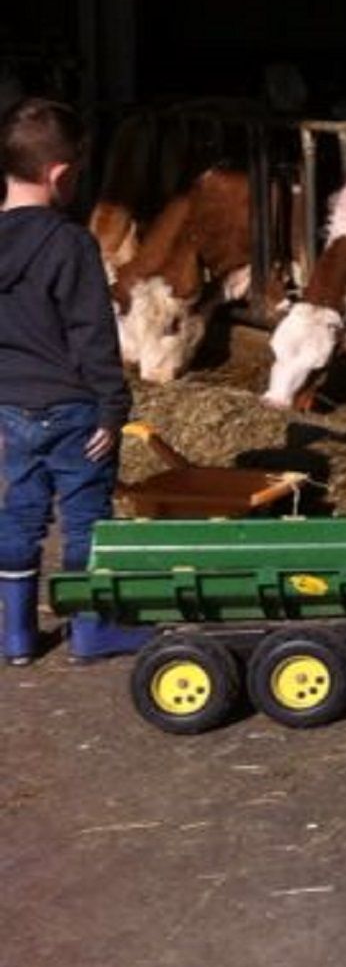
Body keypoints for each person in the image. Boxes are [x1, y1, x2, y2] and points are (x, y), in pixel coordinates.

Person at [0, 95, 147, 664]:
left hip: (12, 408)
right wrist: (113, 408)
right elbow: (92, 337)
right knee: (85, 516)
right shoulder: (70, 244)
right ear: (59, 174)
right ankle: (90, 631)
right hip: (74, 409)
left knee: (21, 513)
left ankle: (16, 636)